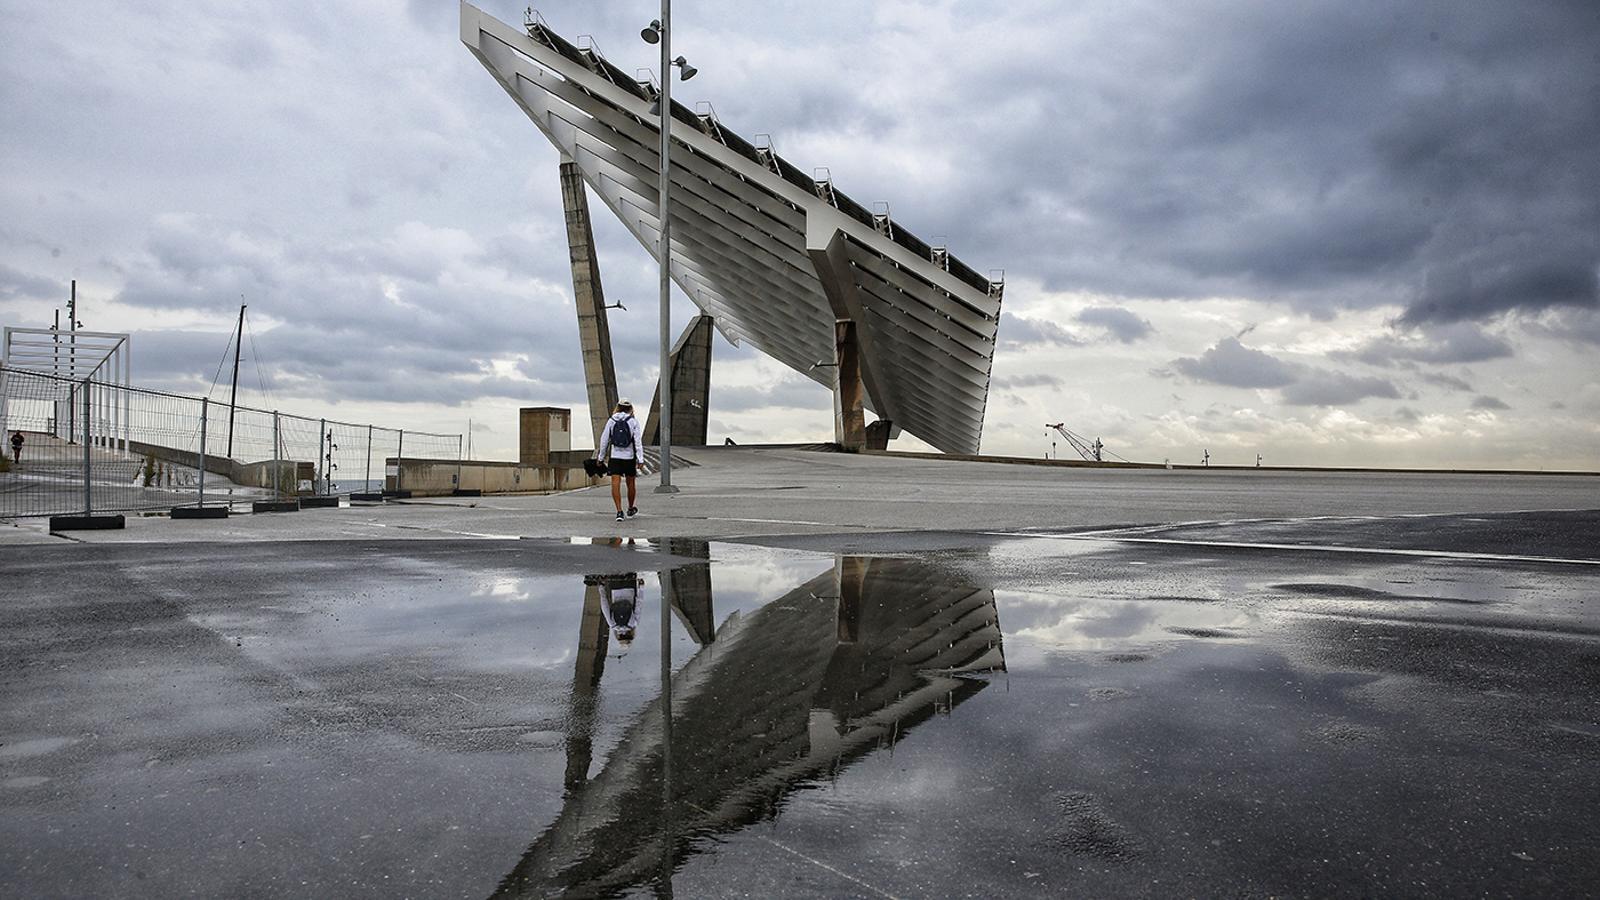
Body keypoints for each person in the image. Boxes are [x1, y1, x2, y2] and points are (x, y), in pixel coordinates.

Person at [595, 399, 644, 523]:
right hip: (629, 457)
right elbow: (638, 442)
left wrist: (600, 457)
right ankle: (631, 508)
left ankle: (619, 511)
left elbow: (604, 440)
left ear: (618, 407)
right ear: (630, 408)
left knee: (615, 483)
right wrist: (640, 459)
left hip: (615, 457)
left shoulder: (611, 421)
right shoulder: (633, 421)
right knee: (631, 484)